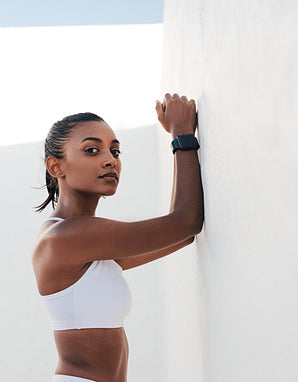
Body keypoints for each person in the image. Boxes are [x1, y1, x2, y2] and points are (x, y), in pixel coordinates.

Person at [31, 93, 204, 382]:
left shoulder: (88, 245)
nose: (110, 160)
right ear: (56, 166)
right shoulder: (67, 236)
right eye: (91, 151)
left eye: (115, 151)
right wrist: (182, 135)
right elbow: (185, 223)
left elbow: (181, 235)